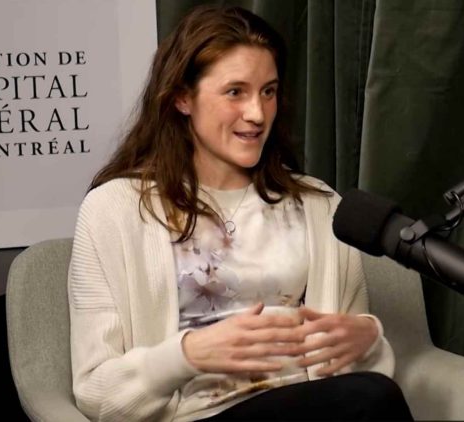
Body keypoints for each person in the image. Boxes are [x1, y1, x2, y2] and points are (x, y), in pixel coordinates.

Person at [68, 5, 413, 421]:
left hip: (319, 404)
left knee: (370, 395)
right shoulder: (114, 209)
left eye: (268, 91)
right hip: (199, 415)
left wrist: (369, 340)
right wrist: (187, 354)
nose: (257, 113)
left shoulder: (320, 205)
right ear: (182, 97)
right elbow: (96, 392)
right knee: (370, 398)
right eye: (235, 92)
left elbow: (349, 370)